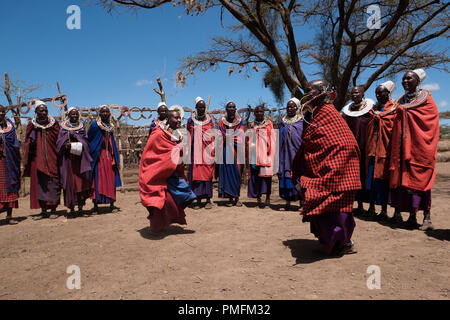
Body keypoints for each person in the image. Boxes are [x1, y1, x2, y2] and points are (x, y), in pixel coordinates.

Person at [292, 80, 361, 255]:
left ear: (321, 92)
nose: (306, 94)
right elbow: (315, 142)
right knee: (324, 204)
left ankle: (339, 243)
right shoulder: (316, 114)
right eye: (305, 91)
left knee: (336, 208)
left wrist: (334, 166)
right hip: (325, 166)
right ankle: (337, 242)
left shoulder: (328, 113)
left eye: (310, 91)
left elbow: (341, 142)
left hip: (339, 167)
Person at [389, 69, 439, 230]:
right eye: (403, 79)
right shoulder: (401, 100)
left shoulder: (427, 100)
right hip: (403, 149)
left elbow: (430, 123)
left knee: (421, 182)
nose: (405, 81)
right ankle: (412, 216)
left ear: (418, 81)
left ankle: (427, 218)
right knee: (406, 184)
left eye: (409, 79)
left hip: (420, 148)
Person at [139, 110, 196, 232]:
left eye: (180, 118)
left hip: (171, 173)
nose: (179, 120)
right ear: (169, 119)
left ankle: (165, 222)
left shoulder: (177, 135)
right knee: (157, 200)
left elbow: (176, 152)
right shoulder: (158, 133)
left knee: (178, 197)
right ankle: (156, 227)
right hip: (157, 173)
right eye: (176, 118)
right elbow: (150, 153)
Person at [365, 81, 397, 221]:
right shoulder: (373, 109)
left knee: (383, 181)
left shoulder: (394, 108)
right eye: (376, 92)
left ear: (388, 93)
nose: (378, 95)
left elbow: (393, 127)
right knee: (371, 180)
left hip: (386, 151)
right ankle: (371, 208)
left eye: (381, 92)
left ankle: (384, 210)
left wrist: (381, 120)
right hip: (373, 149)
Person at [23, 101, 61, 219]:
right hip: (36, 159)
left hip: (52, 157)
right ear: (36, 112)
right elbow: (27, 141)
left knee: (53, 182)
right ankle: (43, 210)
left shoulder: (54, 124)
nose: (44, 113)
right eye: (41, 110)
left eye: (45, 110)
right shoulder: (32, 125)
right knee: (39, 184)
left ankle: (53, 209)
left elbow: (59, 139)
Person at [341, 86, 374, 215]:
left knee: (367, 175)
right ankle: (358, 204)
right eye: (352, 93)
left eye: (357, 93)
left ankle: (371, 207)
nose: (354, 95)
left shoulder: (370, 110)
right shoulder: (348, 112)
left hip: (367, 148)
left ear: (362, 94)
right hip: (353, 149)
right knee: (355, 176)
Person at [56, 108, 92, 216]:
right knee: (70, 183)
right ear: (69, 115)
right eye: (72, 114)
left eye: (76, 114)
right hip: (68, 160)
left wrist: (77, 138)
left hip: (80, 160)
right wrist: (65, 145)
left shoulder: (82, 127)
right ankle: (71, 208)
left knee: (81, 183)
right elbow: (59, 143)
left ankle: (81, 207)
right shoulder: (63, 128)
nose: (75, 116)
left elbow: (86, 141)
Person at [88, 105, 122, 214]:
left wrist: (113, 155)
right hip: (98, 157)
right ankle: (96, 205)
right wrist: (95, 152)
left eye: (107, 112)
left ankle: (111, 203)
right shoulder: (94, 126)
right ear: (99, 114)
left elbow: (111, 142)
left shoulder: (110, 126)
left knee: (111, 180)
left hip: (109, 157)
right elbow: (91, 141)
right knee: (97, 180)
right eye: (103, 112)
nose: (105, 114)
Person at [186, 97, 215, 210]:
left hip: (207, 151)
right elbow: (189, 133)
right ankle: (198, 200)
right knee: (196, 175)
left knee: (207, 175)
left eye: (203, 107)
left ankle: (208, 199)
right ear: (196, 108)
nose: (202, 109)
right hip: (195, 152)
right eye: (199, 107)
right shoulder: (190, 120)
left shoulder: (210, 119)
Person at [247, 104, 275, 208]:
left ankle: (267, 197)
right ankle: (258, 197)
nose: (259, 113)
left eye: (261, 111)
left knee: (267, 177)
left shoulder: (269, 124)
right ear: (254, 113)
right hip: (254, 154)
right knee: (256, 176)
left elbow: (272, 139)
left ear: (264, 112)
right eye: (257, 112)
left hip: (266, 153)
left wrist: (270, 152)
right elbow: (249, 139)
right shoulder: (251, 125)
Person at [278, 97, 303, 211]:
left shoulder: (302, 120)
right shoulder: (282, 121)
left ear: (297, 108)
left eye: (292, 106)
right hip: (285, 154)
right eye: (288, 106)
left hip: (298, 153)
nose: (290, 108)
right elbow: (279, 137)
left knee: (299, 176)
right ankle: (287, 200)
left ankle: (302, 201)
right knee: (286, 175)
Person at [217, 101, 244, 207]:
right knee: (226, 173)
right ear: (226, 109)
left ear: (235, 109)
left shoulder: (240, 121)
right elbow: (219, 135)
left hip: (236, 151)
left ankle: (236, 197)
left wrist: (230, 136)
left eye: (233, 107)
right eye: (229, 107)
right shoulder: (221, 121)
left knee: (237, 174)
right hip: (224, 149)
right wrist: (225, 137)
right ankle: (229, 198)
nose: (231, 109)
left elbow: (241, 135)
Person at [0, 105, 20, 224]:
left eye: (3, 112)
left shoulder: (10, 125)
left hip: (9, 160)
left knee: (10, 186)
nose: (1, 114)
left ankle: (9, 216)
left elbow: (15, 143)